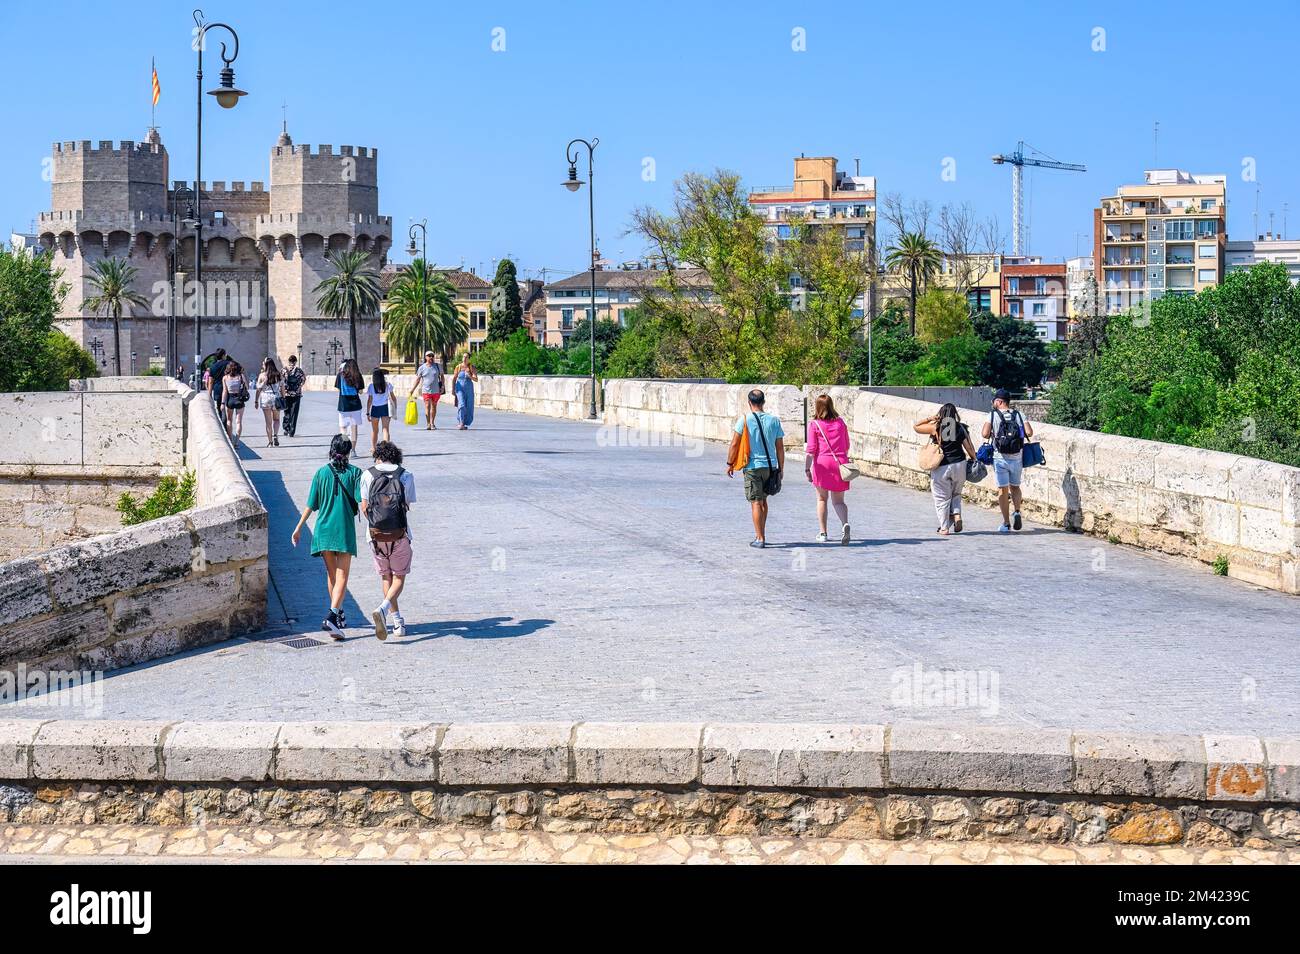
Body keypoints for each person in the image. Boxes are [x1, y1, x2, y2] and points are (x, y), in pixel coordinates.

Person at [291, 434, 363, 639]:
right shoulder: (355, 473)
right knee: (343, 576)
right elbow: (360, 500)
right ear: (349, 452)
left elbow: (311, 505)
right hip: (343, 530)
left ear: (331, 450)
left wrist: (298, 527)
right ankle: (331, 617)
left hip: (323, 531)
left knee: (332, 576)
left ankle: (338, 615)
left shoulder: (321, 473)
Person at [359, 440, 416, 641]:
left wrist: (378, 523)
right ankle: (385, 610)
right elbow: (407, 505)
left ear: (378, 456)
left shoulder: (367, 474)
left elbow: (364, 507)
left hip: (375, 536)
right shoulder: (406, 475)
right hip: (400, 534)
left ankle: (396, 621)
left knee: (386, 577)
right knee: (399, 577)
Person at [725, 388, 785, 549]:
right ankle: (762, 533)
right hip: (770, 466)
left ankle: (760, 537)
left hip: (753, 466)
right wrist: (780, 468)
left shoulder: (744, 420)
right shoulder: (774, 420)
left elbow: (735, 443)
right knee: (764, 501)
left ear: (749, 402)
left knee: (756, 503)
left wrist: (730, 463)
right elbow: (780, 447)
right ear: (763, 402)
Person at [915, 403, 977, 535]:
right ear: (955, 414)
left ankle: (944, 528)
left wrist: (930, 418)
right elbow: (969, 448)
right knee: (956, 494)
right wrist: (974, 459)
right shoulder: (961, 428)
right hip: (960, 464)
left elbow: (916, 427)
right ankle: (957, 515)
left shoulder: (936, 427)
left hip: (942, 465)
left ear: (941, 413)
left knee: (941, 498)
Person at [981, 388, 1034, 533]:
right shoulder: (1019, 414)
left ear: (999, 401)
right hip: (1017, 457)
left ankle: (1006, 523)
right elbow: (1029, 432)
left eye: (994, 400)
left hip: (1000, 457)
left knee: (1002, 490)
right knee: (1015, 487)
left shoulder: (992, 415)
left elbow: (985, 434)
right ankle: (1017, 511)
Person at [805, 393, 851, 544]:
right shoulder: (840, 423)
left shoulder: (814, 424)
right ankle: (844, 524)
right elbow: (847, 445)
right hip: (840, 463)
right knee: (839, 501)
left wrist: (807, 468)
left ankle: (823, 533)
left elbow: (811, 449)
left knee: (822, 499)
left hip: (822, 463)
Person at [335, 358, 365, 454]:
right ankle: (353, 450)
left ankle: (344, 448)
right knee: (353, 427)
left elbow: (338, 389)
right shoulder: (358, 375)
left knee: (343, 427)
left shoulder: (340, 375)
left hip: (343, 404)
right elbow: (360, 391)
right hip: (355, 405)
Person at [409, 351, 444, 430]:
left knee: (434, 406)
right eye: (429, 356)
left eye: (432, 356)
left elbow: (442, 376)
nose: (431, 357)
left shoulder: (438, 366)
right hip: (426, 391)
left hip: (436, 391)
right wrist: (412, 389)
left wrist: (442, 386)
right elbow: (418, 380)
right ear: (425, 357)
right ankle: (428, 423)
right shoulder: (422, 368)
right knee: (427, 406)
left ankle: (432, 423)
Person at [254, 357, 283, 448]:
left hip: (265, 398)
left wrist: (256, 401)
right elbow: (282, 387)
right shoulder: (278, 374)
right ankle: (275, 435)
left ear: (266, 365)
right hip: (276, 398)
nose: (262, 364)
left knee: (268, 422)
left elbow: (258, 389)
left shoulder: (262, 375)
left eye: (263, 363)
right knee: (277, 419)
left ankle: (270, 442)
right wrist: (283, 397)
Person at [365, 367, 395, 456]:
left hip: (375, 409)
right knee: (385, 429)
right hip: (385, 408)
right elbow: (393, 397)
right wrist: (395, 408)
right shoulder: (388, 385)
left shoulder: (371, 386)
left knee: (375, 431)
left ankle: (374, 448)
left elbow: (369, 400)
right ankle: (386, 449)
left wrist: (367, 412)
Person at [221, 360, 250, 442]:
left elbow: (224, 391)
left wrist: (222, 403)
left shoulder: (225, 378)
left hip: (230, 400)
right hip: (239, 400)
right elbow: (247, 388)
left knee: (229, 420)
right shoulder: (240, 376)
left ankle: (230, 439)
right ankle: (237, 441)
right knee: (239, 421)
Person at [281, 354, 305, 437]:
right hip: (296, 394)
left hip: (286, 394)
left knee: (286, 412)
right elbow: (303, 380)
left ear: (289, 361)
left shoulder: (284, 370)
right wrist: (299, 388)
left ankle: (286, 429)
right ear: (295, 361)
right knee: (294, 413)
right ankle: (292, 431)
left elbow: (281, 382)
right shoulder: (299, 370)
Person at [454, 355, 478, 430]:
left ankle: (464, 422)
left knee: (469, 406)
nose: (464, 358)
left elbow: (476, 379)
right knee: (461, 404)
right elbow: (454, 378)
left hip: (469, 388)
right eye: (463, 357)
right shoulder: (458, 367)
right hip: (459, 388)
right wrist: (453, 389)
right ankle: (461, 422)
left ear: (469, 359)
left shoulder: (471, 367)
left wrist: (470, 376)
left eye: (466, 357)